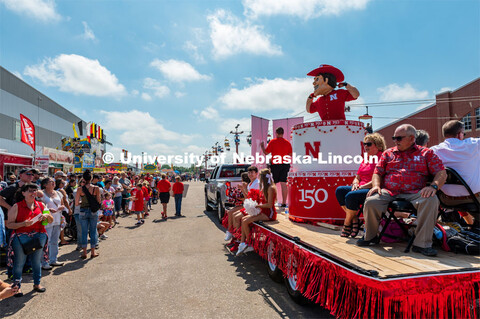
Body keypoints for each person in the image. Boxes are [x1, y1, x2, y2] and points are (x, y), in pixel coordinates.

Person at [357, 124, 446, 257]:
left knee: (431, 200)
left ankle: (422, 244)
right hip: (390, 191)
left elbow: (441, 172)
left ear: (411, 138)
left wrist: (433, 186)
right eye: (394, 138)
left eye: (399, 138)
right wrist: (376, 186)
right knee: (371, 201)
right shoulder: (388, 153)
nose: (395, 141)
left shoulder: (426, 153)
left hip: (416, 192)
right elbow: (377, 172)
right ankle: (370, 237)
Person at [335, 133, 386, 238]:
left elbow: (379, 179)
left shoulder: (382, 158)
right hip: (360, 187)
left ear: (378, 146)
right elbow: (358, 176)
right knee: (340, 190)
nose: (365, 146)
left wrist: (361, 187)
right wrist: (355, 183)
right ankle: (355, 220)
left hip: (373, 189)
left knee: (351, 196)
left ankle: (347, 222)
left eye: (369, 144)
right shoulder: (366, 159)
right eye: (364, 144)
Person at [6, 183, 53, 295]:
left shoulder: (41, 205)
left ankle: (37, 283)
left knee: (36, 262)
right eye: (30, 191)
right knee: (19, 262)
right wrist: (23, 224)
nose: (33, 193)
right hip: (21, 237)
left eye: (35, 191)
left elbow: (50, 220)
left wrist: (46, 216)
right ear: (23, 193)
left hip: (39, 236)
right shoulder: (17, 206)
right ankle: (16, 287)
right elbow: (9, 224)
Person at [430, 120, 480, 222]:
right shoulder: (473, 144)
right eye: (463, 134)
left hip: (446, 200)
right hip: (473, 198)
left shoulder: (433, 150)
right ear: (459, 134)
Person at [237, 169, 277, 256]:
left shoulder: (271, 188)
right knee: (243, 219)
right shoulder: (264, 188)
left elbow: (270, 205)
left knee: (245, 221)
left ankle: (250, 243)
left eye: (260, 177)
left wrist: (257, 206)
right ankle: (245, 242)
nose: (260, 179)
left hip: (269, 214)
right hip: (263, 211)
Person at [225, 166, 259, 243]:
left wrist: (243, 189)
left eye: (252, 173)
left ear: (256, 174)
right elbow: (248, 198)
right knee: (232, 214)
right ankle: (234, 235)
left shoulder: (257, 183)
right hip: (249, 206)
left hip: (254, 207)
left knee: (236, 217)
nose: (250, 174)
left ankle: (239, 239)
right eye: (249, 173)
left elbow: (249, 199)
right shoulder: (251, 184)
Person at [260, 127, 292, 208]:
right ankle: (284, 203)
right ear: (283, 133)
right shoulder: (287, 142)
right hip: (285, 163)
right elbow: (290, 154)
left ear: (276, 133)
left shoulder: (273, 141)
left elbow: (266, 152)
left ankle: (273, 201)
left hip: (276, 164)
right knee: (283, 183)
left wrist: (262, 146)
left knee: (273, 183)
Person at [75, 170, 101, 259]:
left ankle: (84, 252)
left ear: (84, 179)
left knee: (84, 232)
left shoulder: (80, 189)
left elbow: (76, 203)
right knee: (93, 232)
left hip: (83, 211)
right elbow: (99, 201)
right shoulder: (96, 188)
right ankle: (93, 252)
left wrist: (83, 201)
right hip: (93, 211)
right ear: (91, 178)